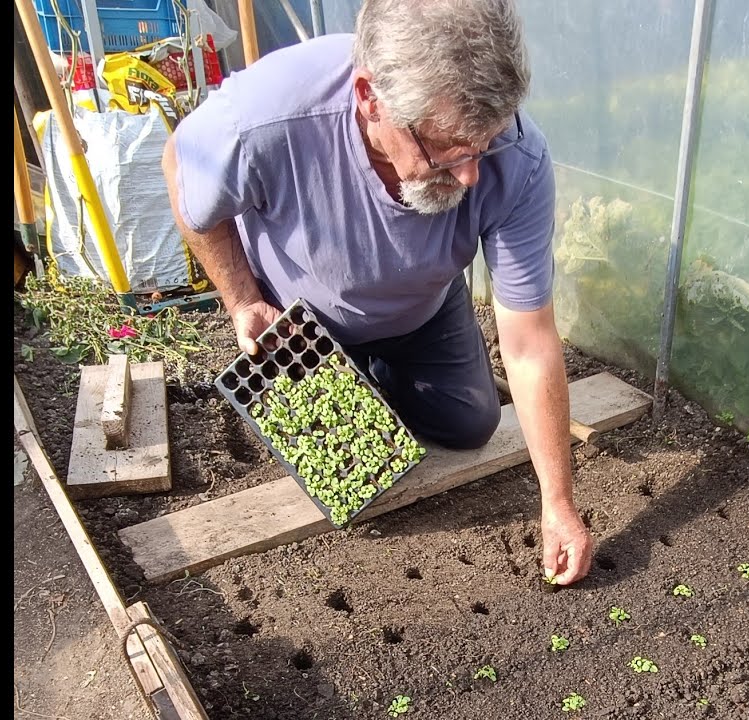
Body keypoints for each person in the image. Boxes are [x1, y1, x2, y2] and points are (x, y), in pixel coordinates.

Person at [162, 0, 592, 585]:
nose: (469, 175)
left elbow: (528, 340)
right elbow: (182, 168)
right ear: (370, 99)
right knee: (350, 475)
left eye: (484, 145)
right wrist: (241, 299)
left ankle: (373, 368)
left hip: (423, 305)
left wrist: (558, 502)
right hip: (299, 321)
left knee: (470, 423)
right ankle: (343, 372)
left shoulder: (518, 160)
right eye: (447, 149)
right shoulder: (265, 119)